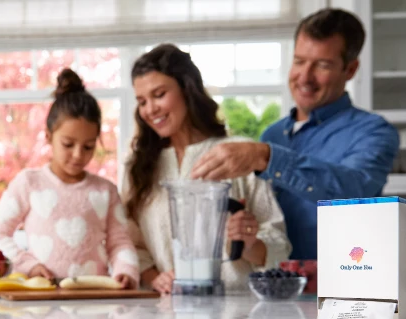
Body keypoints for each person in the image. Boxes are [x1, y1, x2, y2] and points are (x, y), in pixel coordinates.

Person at [190, 8, 399, 260]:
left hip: (339, 285)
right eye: (299, 61)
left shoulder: (374, 132)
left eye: (322, 65)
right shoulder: (273, 134)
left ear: (351, 70)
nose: (305, 77)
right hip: (272, 285)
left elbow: (354, 192)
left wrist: (268, 158)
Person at [123, 44, 292, 294]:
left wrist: (248, 243)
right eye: (142, 101)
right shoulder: (138, 167)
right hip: (169, 314)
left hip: (237, 311)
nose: (150, 109)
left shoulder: (237, 154)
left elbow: (279, 244)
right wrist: (156, 278)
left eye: (159, 95)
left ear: (186, 89)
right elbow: (131, 244)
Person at [0, 68, 139, 289]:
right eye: (68, 144)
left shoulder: (105, 191)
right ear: (48, 137)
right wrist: (27, 264)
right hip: (40, 304)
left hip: (94, 302)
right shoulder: (29, 183)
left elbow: (120, 242)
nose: (78, 155)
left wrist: (126, 271)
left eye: (88, 146)